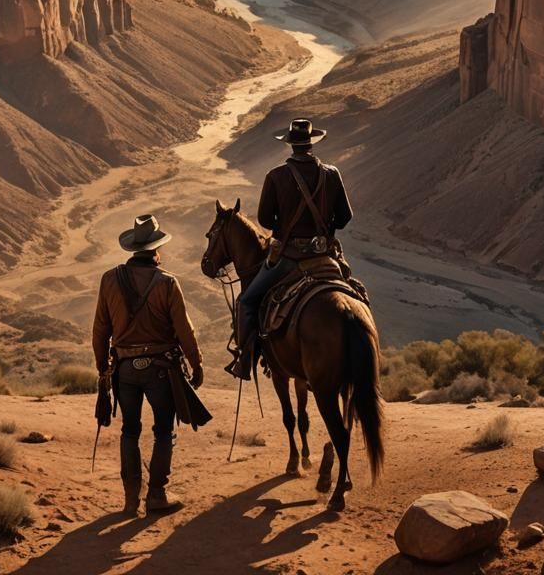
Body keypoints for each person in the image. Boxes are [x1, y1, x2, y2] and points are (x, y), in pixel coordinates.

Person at [92, 214, 205, 517]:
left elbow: (100, 330)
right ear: (157, 251)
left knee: (130, 430)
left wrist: (104, 370)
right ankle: (157, 495)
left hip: (125, 370)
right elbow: (185, 331)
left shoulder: (109, 279)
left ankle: (130, 499)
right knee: (163, 431)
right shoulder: (167, 283)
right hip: (161, 370)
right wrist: (197, 364)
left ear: (133, 249)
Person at [226, 118, 353, 381]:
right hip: (324, 257)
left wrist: (285, 230)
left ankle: (245, 359)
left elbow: (264, 220)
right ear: (311, 142)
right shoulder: (332, 174)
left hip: (289, 258)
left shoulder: (276, 176)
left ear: (290, 145)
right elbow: (344, 217)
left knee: (247, 301)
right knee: (357, 293)